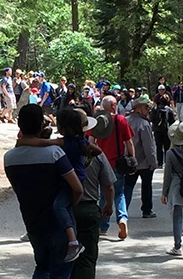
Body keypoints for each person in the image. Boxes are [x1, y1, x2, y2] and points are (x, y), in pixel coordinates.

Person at [4, 104, 84, 278]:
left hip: (32, 221)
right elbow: (77, 188)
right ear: (41, 125)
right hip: (59, 224)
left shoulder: (9, 158)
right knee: (61, 270)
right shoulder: (54, 153)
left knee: (42, 266)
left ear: (19, 125)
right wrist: (70, 206)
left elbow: (17, 189)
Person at [70, 110, 116, 279]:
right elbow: (108, 185)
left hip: (65, 209)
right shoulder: (96, 153)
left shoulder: (57, 151)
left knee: (63, 257)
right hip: (88, 207)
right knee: (87, 258)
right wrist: (109, 205)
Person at [88, 96, 135, 239]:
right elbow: (129, 142)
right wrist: (132, 159)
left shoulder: (96, 121)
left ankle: (103, 225)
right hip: (118, 163)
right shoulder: (121, 120)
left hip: (101, 162)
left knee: (104, 194)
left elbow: (91, 142)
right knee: (119, 193)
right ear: (114, 106)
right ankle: (122, 219)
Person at [124, 96, 159, 219]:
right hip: (144, 162)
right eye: (146, 107)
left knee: (127, 186)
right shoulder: (144, 124)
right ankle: (147, 210)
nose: (148, 109)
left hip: (129, 161)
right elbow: (148, 146)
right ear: (138, 109)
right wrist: (153, 162)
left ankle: (123, 210)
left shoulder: (126, 121)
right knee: (146, 186)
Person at [162, 121, 183, 256]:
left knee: (177, 216)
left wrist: (164, 192)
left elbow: (167, 174)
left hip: (176, 186)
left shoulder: (170, 153)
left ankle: (177, 246)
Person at [152, 88, 176, 167]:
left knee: (158, 147)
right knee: (167, 147)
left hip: (157, 130)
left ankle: (159, 163)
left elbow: (151, 119)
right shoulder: (169, 110)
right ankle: (167, 162)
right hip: (166, 130)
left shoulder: (155, 109)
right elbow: (172, 122)